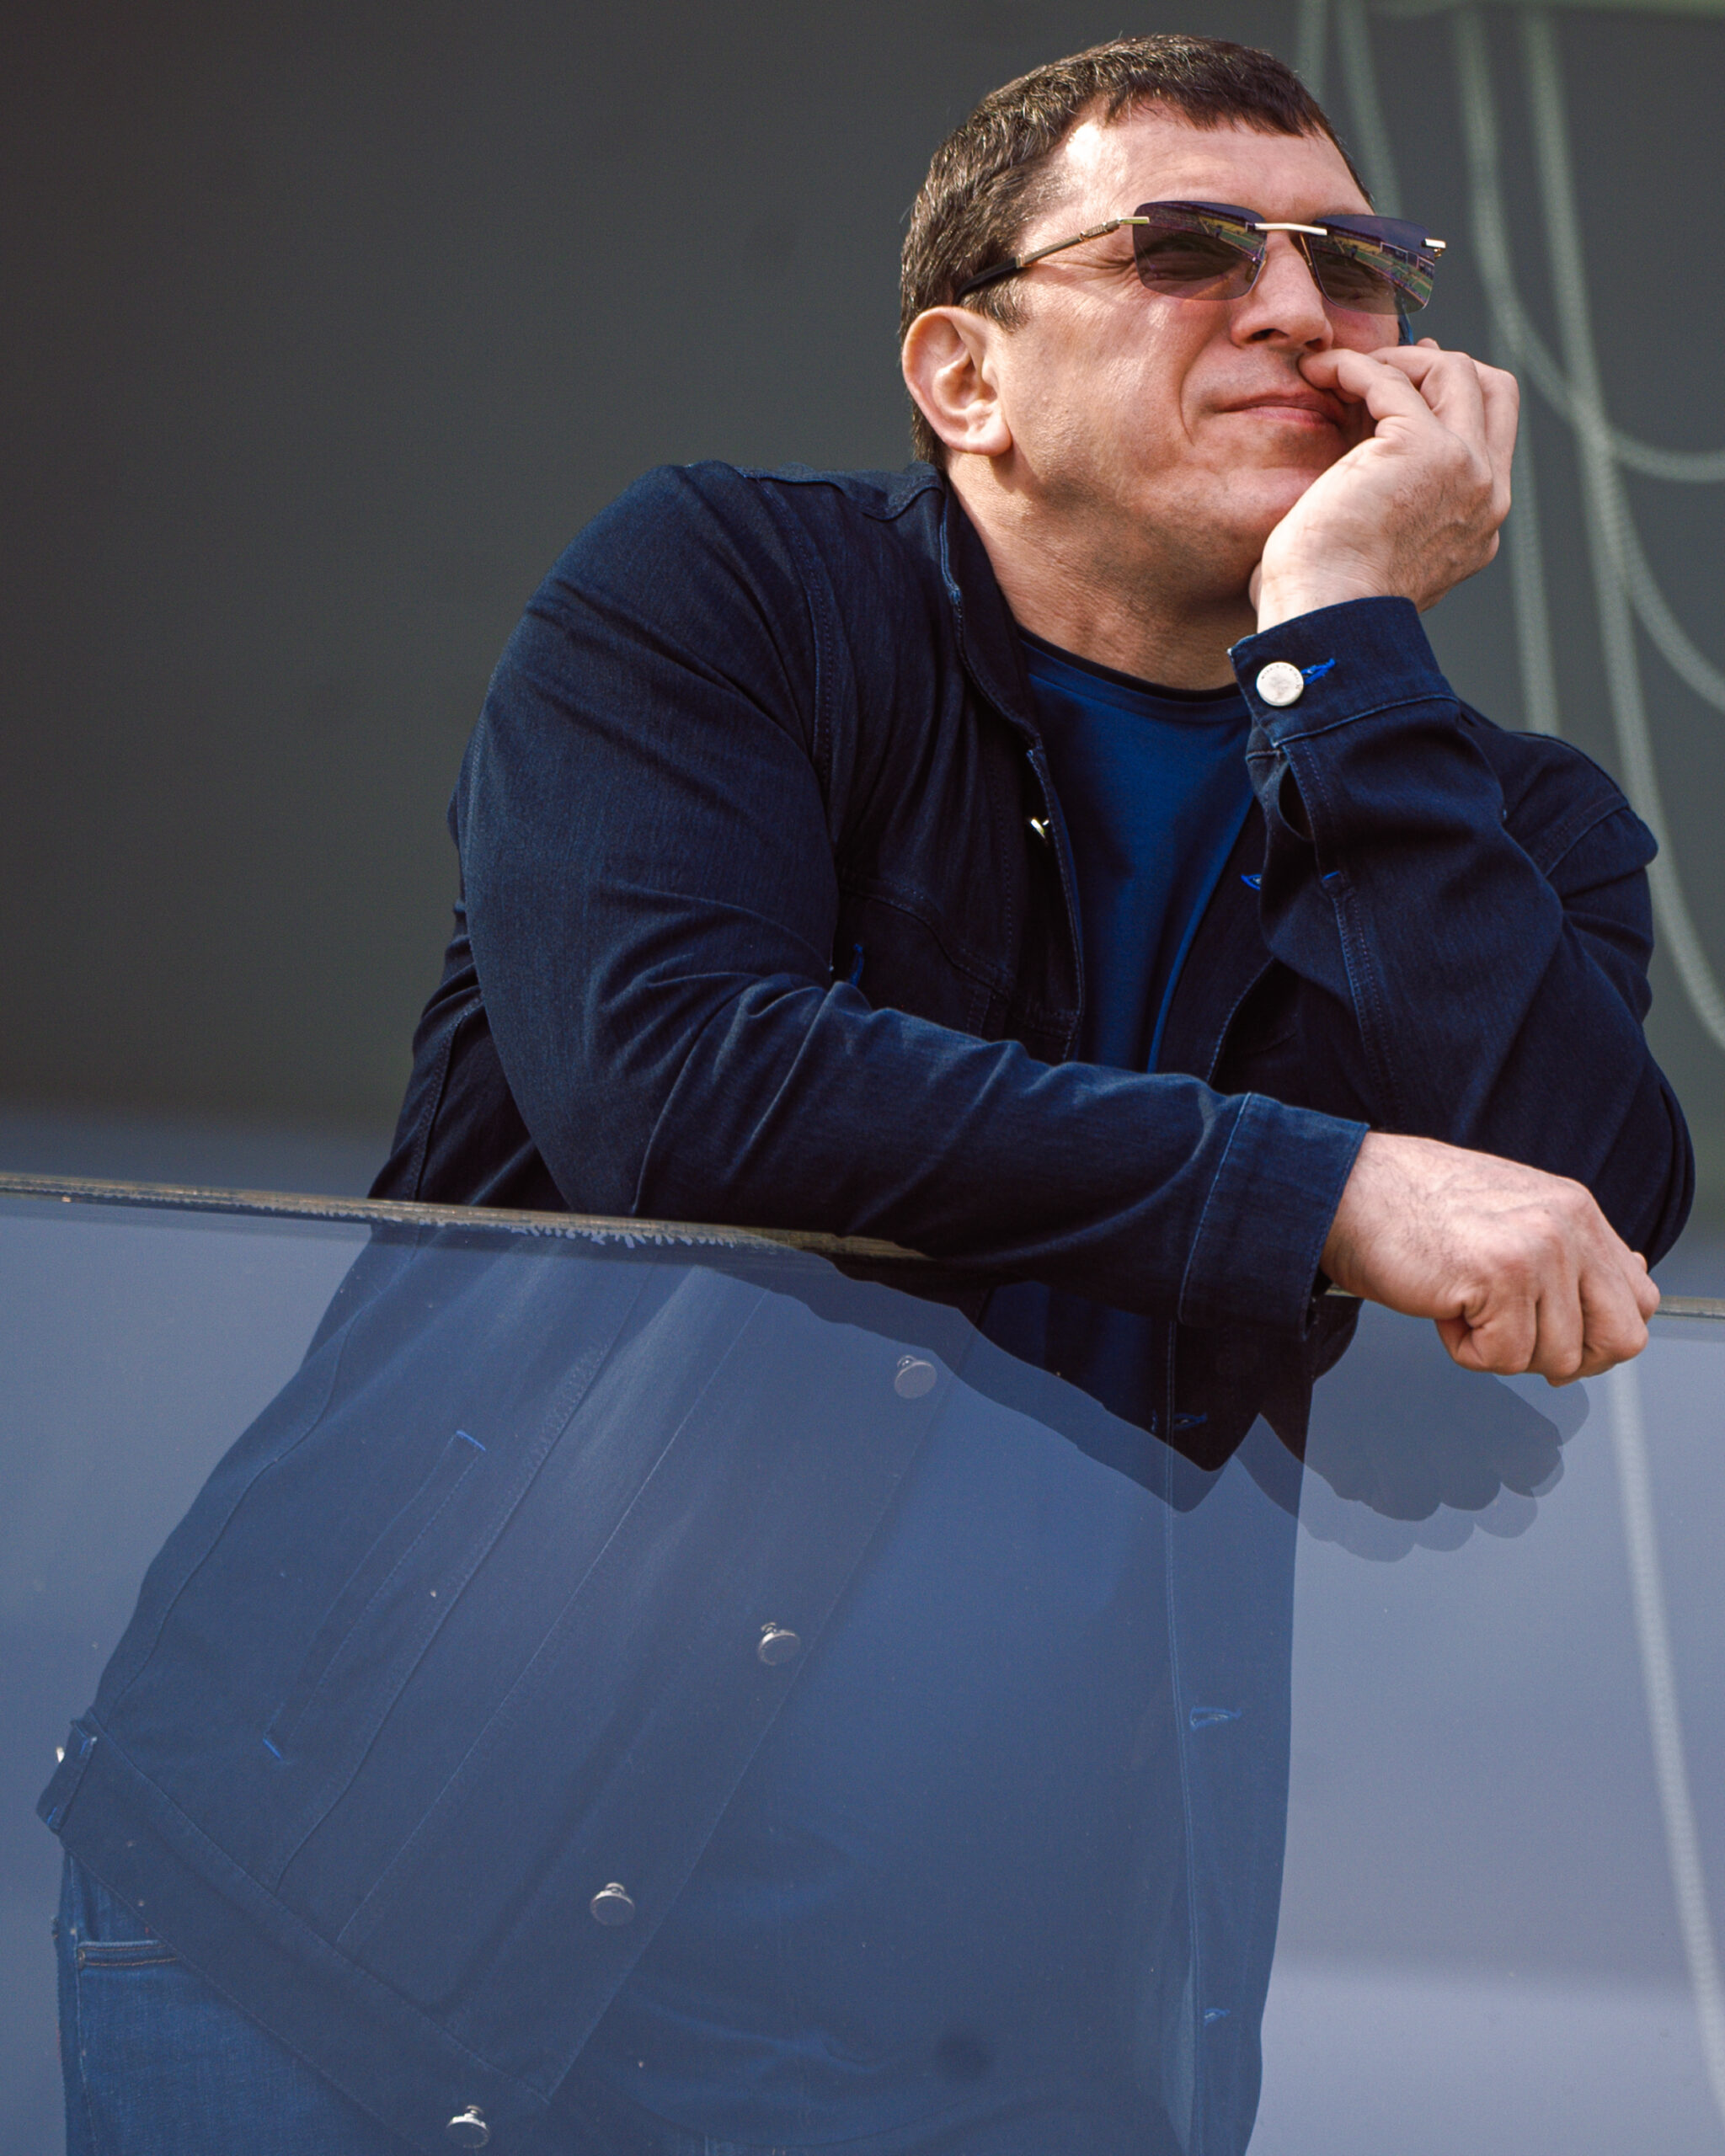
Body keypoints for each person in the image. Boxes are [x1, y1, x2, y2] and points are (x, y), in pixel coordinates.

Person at [43, 34, 1688, 2156]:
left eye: (1355, 268)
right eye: (1190, 248)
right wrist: (1329, 1192)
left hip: (998, 2040)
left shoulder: (1502, 819)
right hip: (361, 1933)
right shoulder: (723, 592)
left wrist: (1346, 647)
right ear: (961, 376)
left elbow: (1574, 1221)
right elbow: (678, 1082)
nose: (1300, 310)